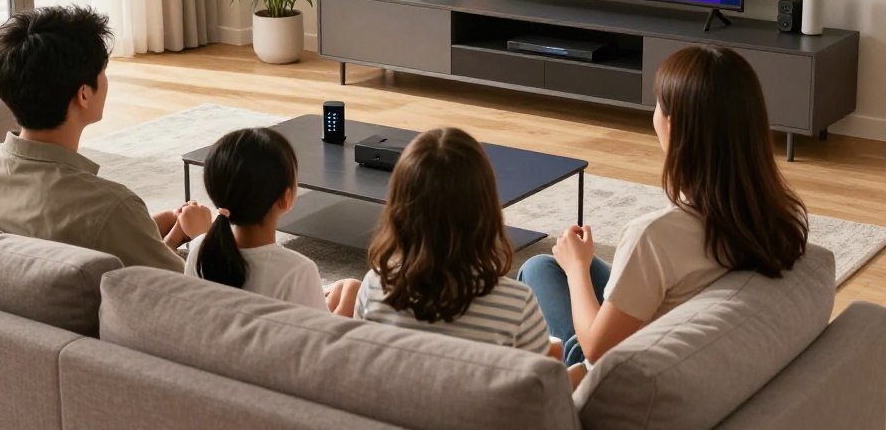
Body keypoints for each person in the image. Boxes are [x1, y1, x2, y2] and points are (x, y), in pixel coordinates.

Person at [518, 46, 809, 385]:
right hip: (682, 320)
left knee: (540, 269)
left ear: (673, 126)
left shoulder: (654, 237)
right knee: (545, 264)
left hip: (612, 360)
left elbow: (596, 349)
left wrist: (578, 268)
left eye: (658, 103)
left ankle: (540, 383)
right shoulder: (777, 214)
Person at [0, 6, 185, 271]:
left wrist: (148, 230)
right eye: (103, 71)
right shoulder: (112, 207)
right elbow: (179, 290)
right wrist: (184, 237)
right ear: (84, 94)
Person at [355, 128, 554, 355]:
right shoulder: (517, 306)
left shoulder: (374, 288)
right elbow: (538, 386)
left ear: (398, 211)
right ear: (486, 211)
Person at [177, 128, 361, 315]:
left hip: (224, 339)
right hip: (275, 342)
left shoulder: (200, 249)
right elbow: (317, 337)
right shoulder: (297, 270)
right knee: (353, 292)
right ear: (286, 198)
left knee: (346, 288)